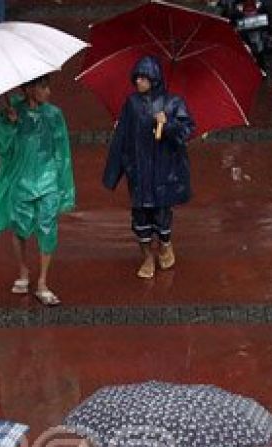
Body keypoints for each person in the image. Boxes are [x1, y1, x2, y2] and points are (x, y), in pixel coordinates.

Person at [0, 74, 76, 306]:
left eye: (48, 86)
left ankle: (43, 282)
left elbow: (62, 150)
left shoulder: (54, 115)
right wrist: (9, 125)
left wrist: (62, 183)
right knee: (19, 226)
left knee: (48, 227)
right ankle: (23, 271)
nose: (48, 92)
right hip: (21, 179)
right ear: (28, 89)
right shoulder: (10, 113)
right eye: (43, 87)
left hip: (48, 180)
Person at [103, 55, 195, 280]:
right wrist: (114, 172)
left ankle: (165, 244)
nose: (139, 82)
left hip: (164, 171)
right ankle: (146, 256)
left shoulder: (173, 103)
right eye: (137, 78)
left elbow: (187, 130)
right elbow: (121, 138)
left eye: (144, 78)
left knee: (162, 215)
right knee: (141, 216)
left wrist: (168, 124)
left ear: (154, 79)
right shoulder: (132, 104)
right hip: (139, 171)